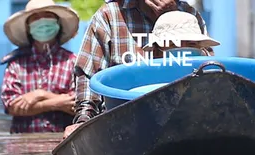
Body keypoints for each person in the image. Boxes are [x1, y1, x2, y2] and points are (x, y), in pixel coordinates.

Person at [66, 0, 213, 138]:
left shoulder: (190, 15)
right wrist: (83, 120)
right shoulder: (110, 15)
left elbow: (209, 73)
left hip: (185, 124)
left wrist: (173, 19)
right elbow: (88, 74)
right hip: (122, 127)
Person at [0, 0, 80, 134]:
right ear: (28, 28)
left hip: (61, 143)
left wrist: (39, 94)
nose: (42, 21)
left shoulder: (72, 62)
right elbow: (11, 105)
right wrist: (57, 102)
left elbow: (77, 104)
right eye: (36, 18)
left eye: (47, 16)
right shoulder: (16, 65)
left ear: (57, 23)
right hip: (22, 145)